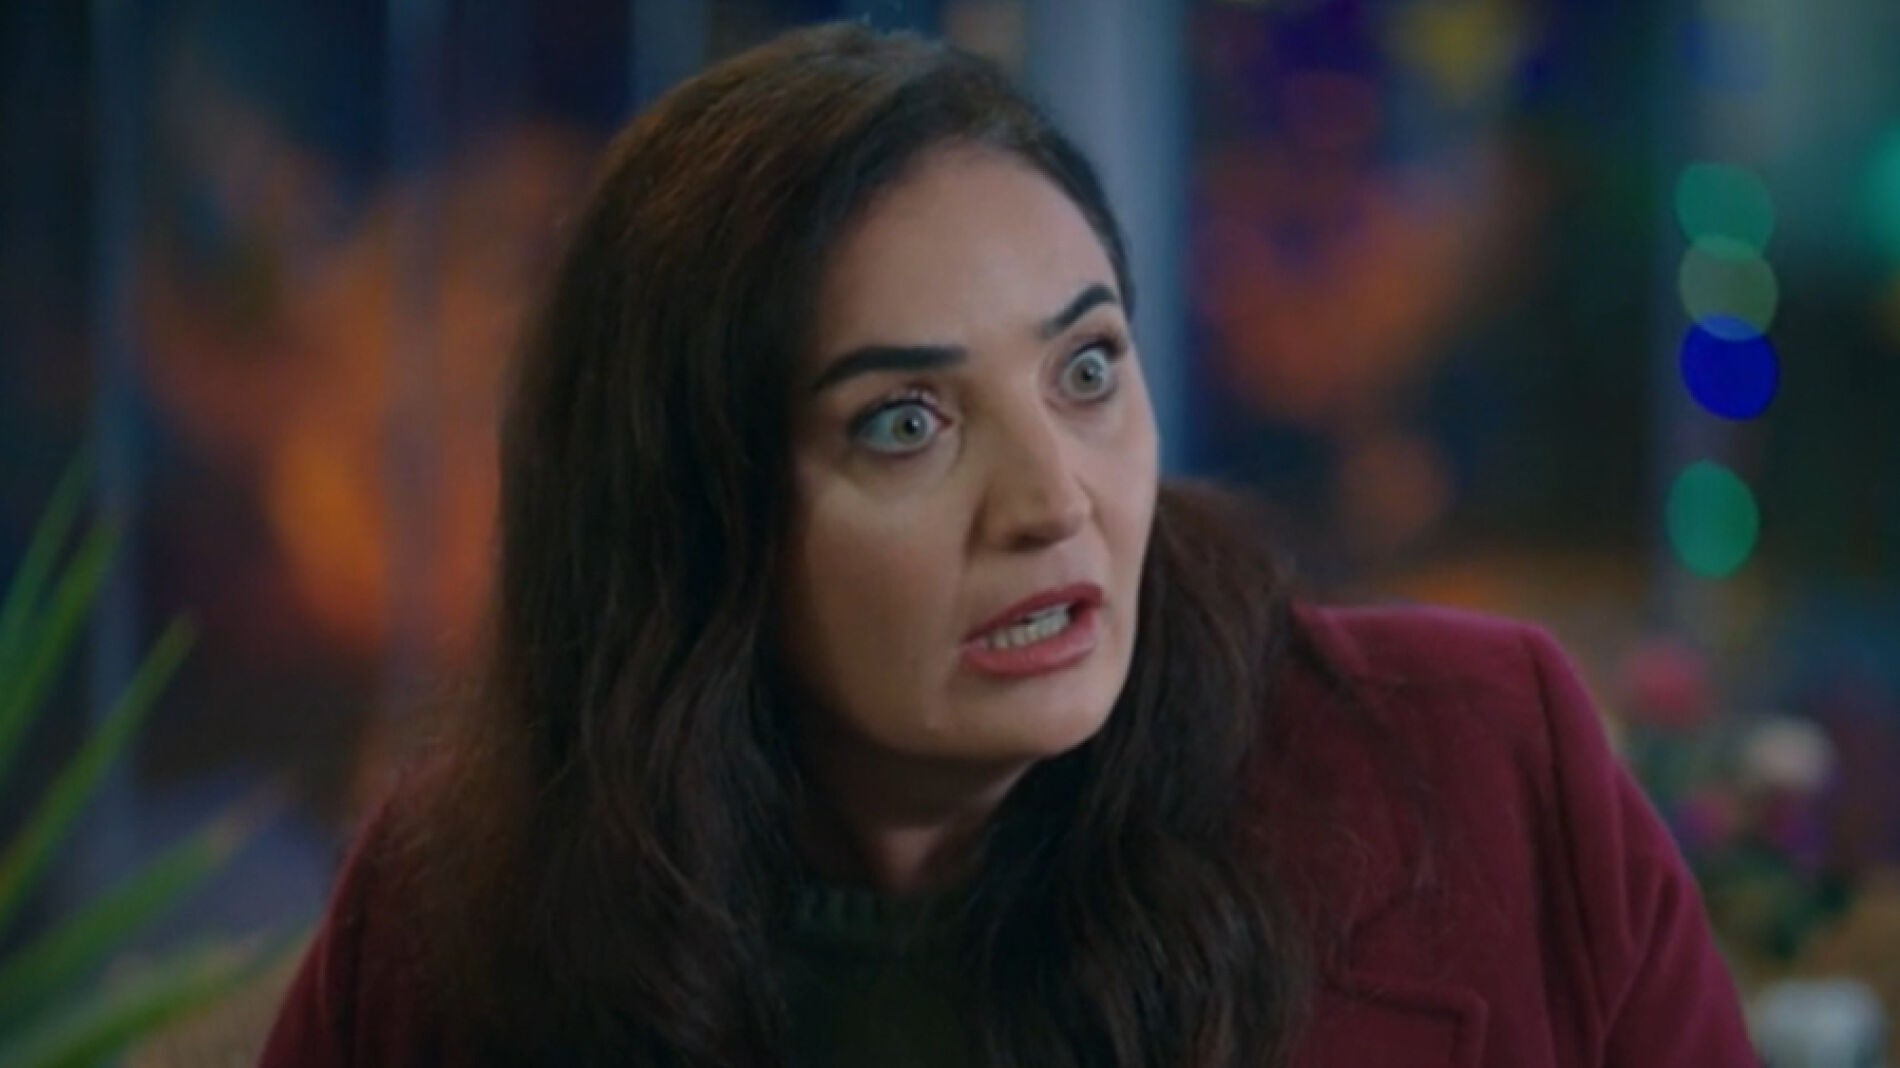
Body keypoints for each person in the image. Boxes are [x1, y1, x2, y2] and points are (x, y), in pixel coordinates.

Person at [259, 21, 1757, 1068]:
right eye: (906, 422)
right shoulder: (453, 915)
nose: (1053, 500)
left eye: (1086, 369)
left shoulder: (1483, 761)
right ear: (693, 512)